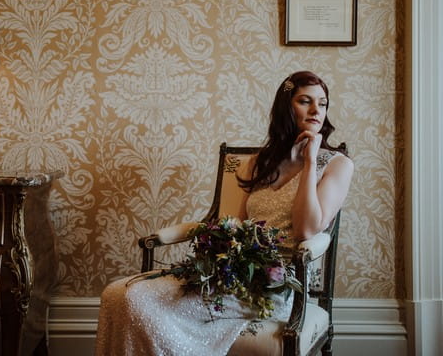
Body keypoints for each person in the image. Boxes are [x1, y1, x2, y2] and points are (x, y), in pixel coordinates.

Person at [94, 71, 354, 356]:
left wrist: (309, 162)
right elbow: (231, 226)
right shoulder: (259, 163)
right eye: (306, 101)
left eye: (323, 103)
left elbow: (307, 230)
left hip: (277, 286)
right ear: (286, 107)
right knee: (115, 294)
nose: (317, 110)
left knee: (138, 301)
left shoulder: (336, 164)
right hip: (234, 275)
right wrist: (214, 259)